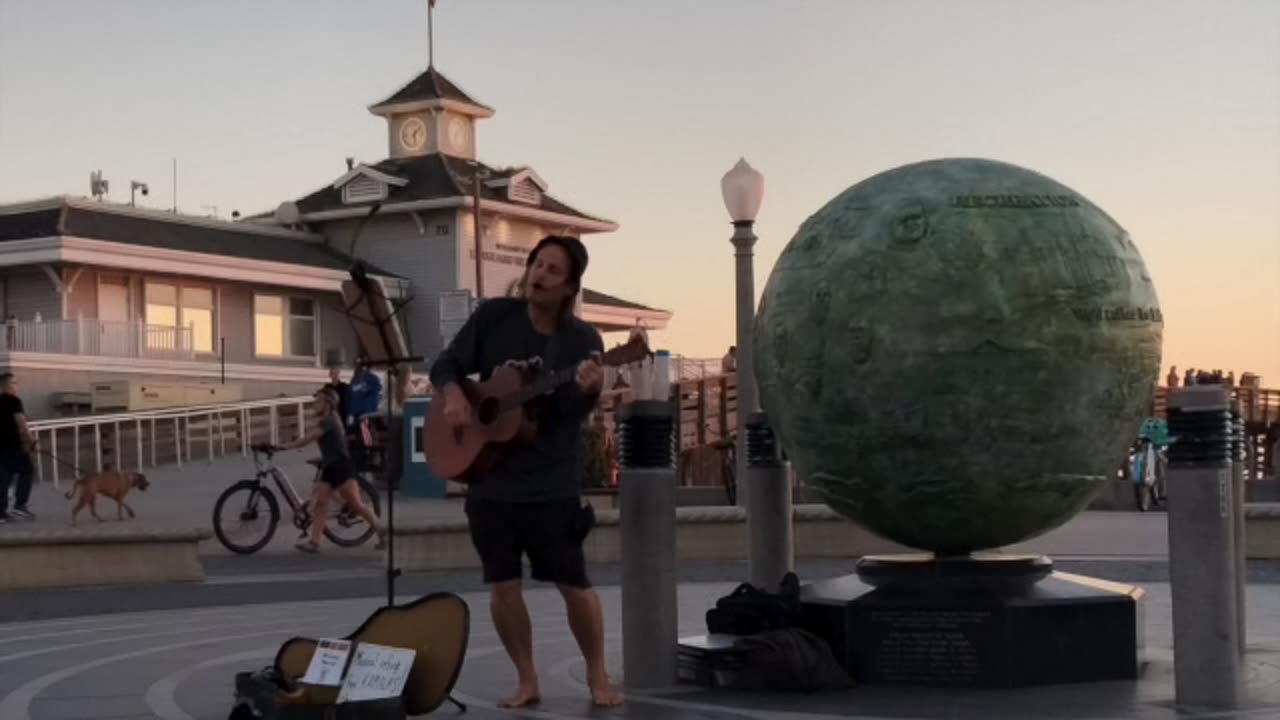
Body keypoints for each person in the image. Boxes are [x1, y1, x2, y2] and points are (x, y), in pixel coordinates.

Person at [429, 234, 621, 708]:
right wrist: (454, 393)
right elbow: (447, 363)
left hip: (551, 481)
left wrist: (588, 390)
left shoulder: (582, 342)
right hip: (490, 480)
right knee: (503, 583)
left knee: (573, 582)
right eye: (536, 263)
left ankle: (599, 677)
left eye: (552, 270)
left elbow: (569, 415)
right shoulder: (495, 316)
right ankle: (527, 679)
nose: (538, 274)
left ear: (570, 286)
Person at [276, 387, 386, 553]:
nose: (315, 403)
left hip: (341, 466)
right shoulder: (328, 420)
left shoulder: (329, 421)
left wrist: (280, 447)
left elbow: (306, 440)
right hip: (329, 466)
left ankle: (382, 531)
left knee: (356, 504)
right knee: (321, 503)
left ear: (328, 404)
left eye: (318, 400)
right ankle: (315, 542)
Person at [0, 373, 36, 522]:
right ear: (8, 385)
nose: (16, 386)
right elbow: (21, 423)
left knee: (4, 478)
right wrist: (31, 441)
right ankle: (19, 506)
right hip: (13, 446)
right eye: (14, 383)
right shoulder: (14, 401)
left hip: (1, 447)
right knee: (27, 470)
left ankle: (1, 513)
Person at [323, 364, 351, 429]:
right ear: (330, 375)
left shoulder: (344, 386)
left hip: (342, 412)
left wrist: (349, 413)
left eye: (336, 373)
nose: (334, 375)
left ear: (339, 374)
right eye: (332, 373)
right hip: (331, 413)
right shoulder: (327, 386)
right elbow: (320, 394)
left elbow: (349, 400)